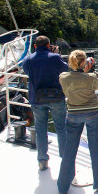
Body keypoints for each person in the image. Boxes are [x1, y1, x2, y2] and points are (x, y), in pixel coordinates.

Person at [57, 50, 98, 194]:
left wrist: (83, 70)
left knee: (69, 149)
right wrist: (91, 70)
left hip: (73, 115)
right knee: (94, 147)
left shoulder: (63, 77)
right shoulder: (90, 77)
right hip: (93, 113)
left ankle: (62, 186)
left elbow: (73, 79)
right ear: (84, 63)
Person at [23, 35, 68, 171]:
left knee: (40, 129)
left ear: (35, 46)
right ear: (49, 45)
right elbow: (65, 70)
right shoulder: (54, 58)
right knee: (61, 128)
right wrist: (55, 55)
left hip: (37, 99)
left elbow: (27, 72)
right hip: (56, 98)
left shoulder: (28, 60)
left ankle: (42, 161)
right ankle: (65, 159)